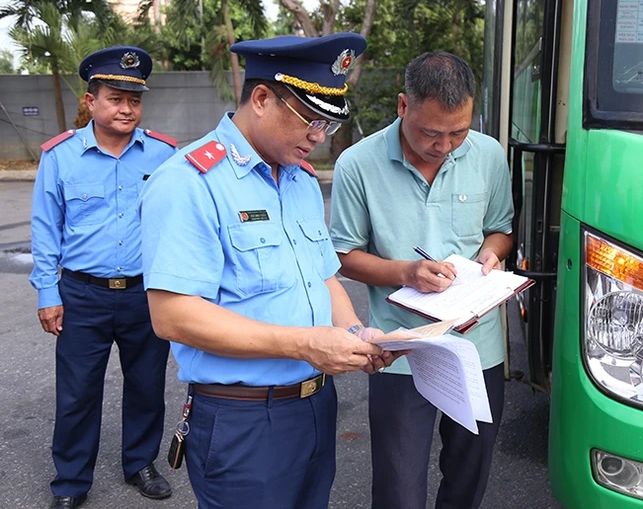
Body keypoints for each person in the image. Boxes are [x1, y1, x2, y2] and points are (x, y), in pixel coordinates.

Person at [138, 32, 399, 509]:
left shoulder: (298, 180)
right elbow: (172, 316)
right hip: (243, 420)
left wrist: (357, 333)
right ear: (261, 98)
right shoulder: (189, 182)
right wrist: (303, 343)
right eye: (311, 119)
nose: (320, 136)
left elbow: (323, 277)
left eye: (329, 121)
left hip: (316, 406)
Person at [329, 51, 515, 509]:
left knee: (469, 474)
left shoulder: (489, 154)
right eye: (432, 132)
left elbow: (501, 229)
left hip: (479, 347)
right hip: (401, 348)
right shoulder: (358, 164)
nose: (446, 145)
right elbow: (343, 256)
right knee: (398, 485)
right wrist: (405, 272)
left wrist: (491, 254)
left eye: (458, 131)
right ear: (402, 107)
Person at [30, 46, 176, 509]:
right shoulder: (61, 156)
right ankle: (71, 482)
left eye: (134, 100)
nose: (126, 108)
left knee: (148, 386)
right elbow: (44, 228)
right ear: (91, 101)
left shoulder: (165, 154)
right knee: (76, 394)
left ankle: (140, 463)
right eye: (115, 98)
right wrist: (47, 293)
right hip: (82, 294)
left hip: (145, 294)